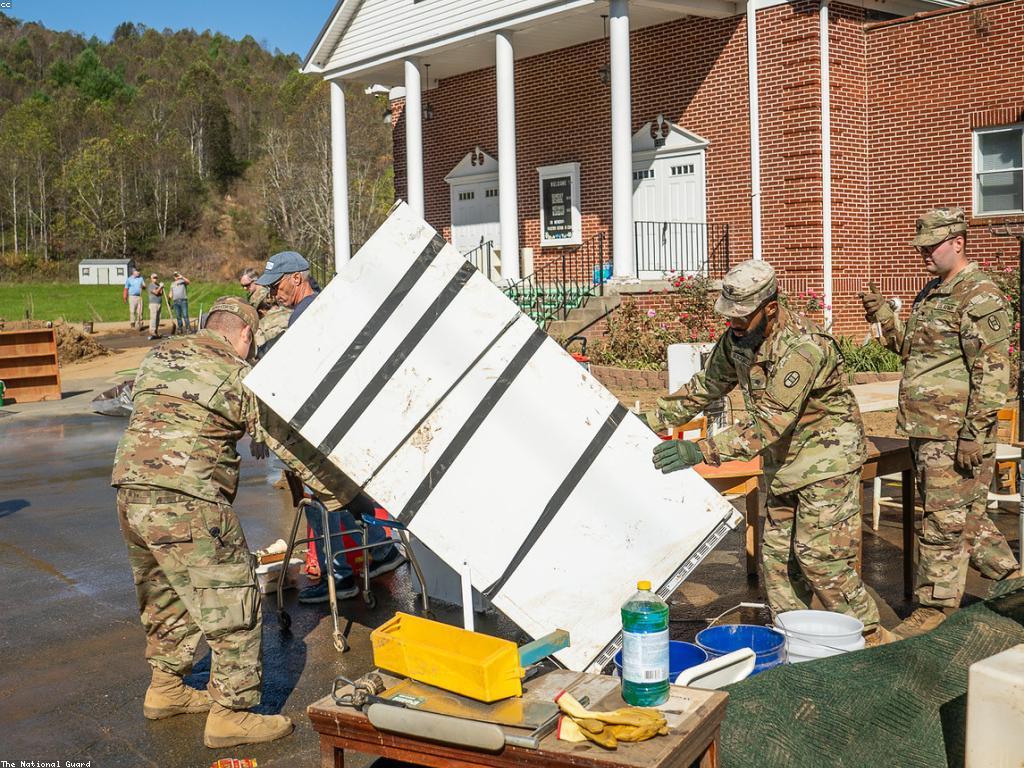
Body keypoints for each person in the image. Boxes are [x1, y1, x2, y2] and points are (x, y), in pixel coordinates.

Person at [648, 260, 888, 644]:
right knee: (777, 564)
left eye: (742, 316)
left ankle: (873, 644)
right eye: (729, 316)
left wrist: (700, 450)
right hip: (784, 465)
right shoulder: (739, 338)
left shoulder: (803, 348)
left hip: (827, 463)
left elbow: (768, 424)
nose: (734, 324)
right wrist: (652, 418)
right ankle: (794, 642)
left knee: (822, 562)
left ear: (770, 308)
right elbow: (707, 385)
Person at [112, 296, 295, 749]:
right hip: (189, 501)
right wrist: (341, 494)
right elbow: (284, 438)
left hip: (131, 494)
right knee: (232, 601)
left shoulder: (159, 355)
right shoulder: (237, 372)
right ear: (246, 334)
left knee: (164, 594)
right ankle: (232, 714)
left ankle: (166, 689)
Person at [861, 207, 1020, 638]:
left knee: (942, 522)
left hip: (955, 434)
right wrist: (883, 315)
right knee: (960, 517)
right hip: (926, 430)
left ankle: (935, 607)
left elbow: (993, 372)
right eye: (921, 248)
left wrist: (973, 434)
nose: (924, 255)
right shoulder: (933, 292)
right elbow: (909, 350)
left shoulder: (980, 296)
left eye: (931, 247)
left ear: (958, 242)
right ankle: (1014, 582)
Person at [255, 251, 406, 602]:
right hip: (340, 422)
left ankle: (341, 577)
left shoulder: (307, 314)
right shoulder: (319, 307)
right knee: (346, 496)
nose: (273, 293)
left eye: (276, 285)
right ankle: (382, 551)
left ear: (297, 278)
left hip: (323, 428)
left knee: (329, 499)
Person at [147, 273, 164, 340]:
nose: (155, 279)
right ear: (151, 278)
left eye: (156, 277)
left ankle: (155, 331)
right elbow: (156, 292)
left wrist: (161, 287)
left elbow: (161, 293)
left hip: (159, 303)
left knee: (158, 318)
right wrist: (160, 287)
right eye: (154, 278)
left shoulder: (157, 285)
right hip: (153, 303)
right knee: (153, 318)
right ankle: (152, 331)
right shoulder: (151, 285)